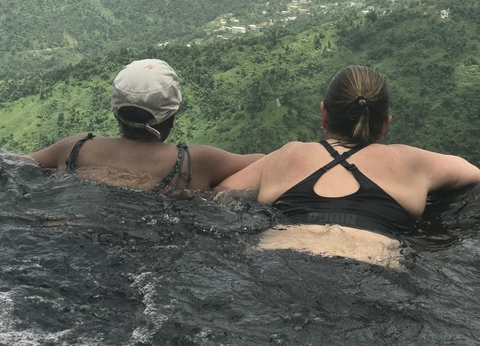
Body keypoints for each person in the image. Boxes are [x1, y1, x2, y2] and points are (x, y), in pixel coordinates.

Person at [217, 66, 480, 265]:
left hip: (277, 262)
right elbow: (472, 174)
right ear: (385, 124)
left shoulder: (288, 155)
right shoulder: (413, 162)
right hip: (373, 269)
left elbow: (218, 194)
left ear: (324, 114)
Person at [29, 59, 263, 192]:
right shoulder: (195, 162)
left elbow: (13, 162)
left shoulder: (74, 149)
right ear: (172, 114)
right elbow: (278, 162)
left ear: (115, 111)